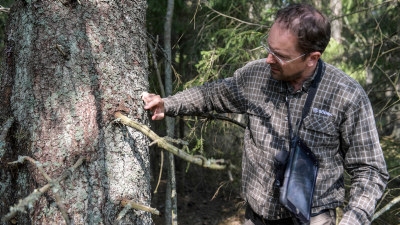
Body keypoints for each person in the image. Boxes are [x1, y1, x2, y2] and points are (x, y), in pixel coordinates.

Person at [142, 3, 388, 225]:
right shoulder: (256, 75)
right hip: (257, 215)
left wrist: (352, 221)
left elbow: (370, 170)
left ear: (312, 58)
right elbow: (212, 95)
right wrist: (168, 104)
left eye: (280, 56)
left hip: (313, 217)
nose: (269, 59)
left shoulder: (346, 95)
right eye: (268, 47)